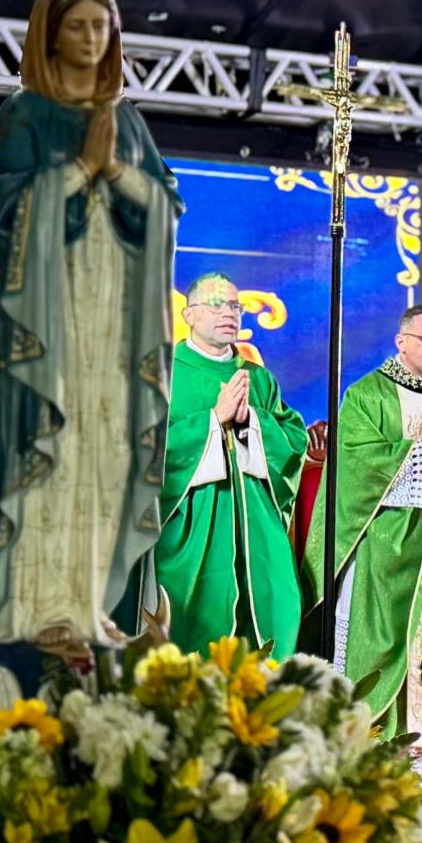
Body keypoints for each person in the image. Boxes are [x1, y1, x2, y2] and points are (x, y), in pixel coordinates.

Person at [0, 0, 183, 649]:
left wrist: (120, 175)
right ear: (50, 30)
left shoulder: (125, 118)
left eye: (105, 23)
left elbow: (162, 211)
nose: (94, 37)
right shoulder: (23, 114)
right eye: (80, 23)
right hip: (53, 319)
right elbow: (13, 217)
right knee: (55, 449)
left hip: (115, 317)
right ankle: (42, 604)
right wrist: (76, 175)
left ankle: (93, 601)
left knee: (106, 446)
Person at [305, 302, 422, 821]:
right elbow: (356, 466)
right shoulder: (367, 396)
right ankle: (372, 787)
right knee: (382, 662)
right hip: (384, 557)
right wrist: (417, 448)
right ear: (401, 342)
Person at [156, 272, 310, 657]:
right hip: (193, 522)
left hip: (256, 526)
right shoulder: (163, 373)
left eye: (235, 306)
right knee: (194, 625)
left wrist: (251, 424)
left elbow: (293, 439)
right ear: (189, 314)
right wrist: (212, 422)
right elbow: (143, 447)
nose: (229, 313)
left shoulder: (258, 377)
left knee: (278, 605)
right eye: (217, 304)